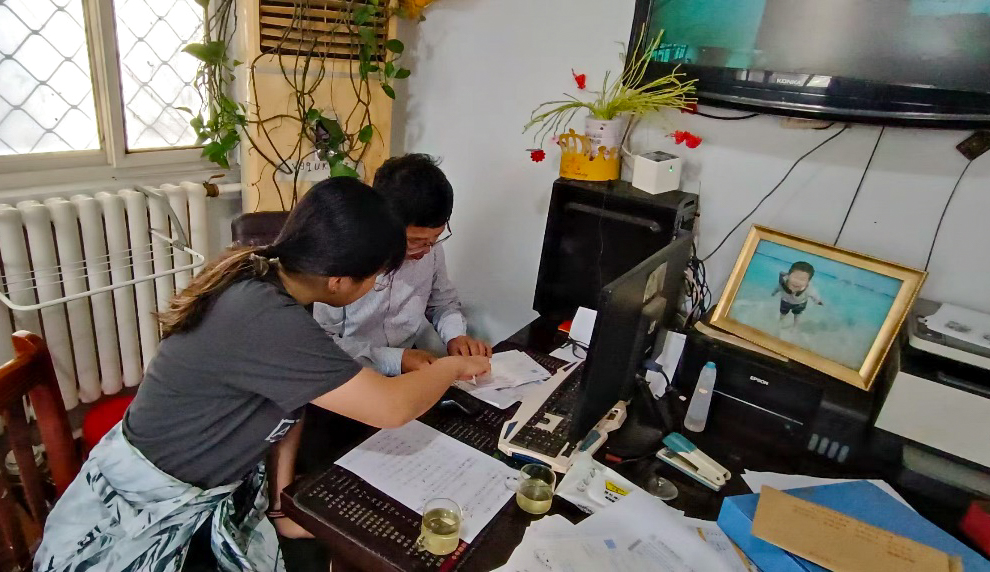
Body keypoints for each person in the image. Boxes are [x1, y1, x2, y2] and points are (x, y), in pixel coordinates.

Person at [34, 178, 490, 572]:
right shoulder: (266, 315)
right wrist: (451, 367)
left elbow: (290, 404)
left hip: (216, 482)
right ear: (338, 280)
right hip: (141, 508)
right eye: (374, 276)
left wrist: (281, 504)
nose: (377, 286)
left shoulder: (286, 284)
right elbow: (392, 408)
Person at [314, 154, 491, 376]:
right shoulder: (342, 258)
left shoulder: (430, 250)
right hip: (350, 372)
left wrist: (456, 336)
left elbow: (442, 303)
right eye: (415, 241)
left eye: (435, 238)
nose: (426, 250)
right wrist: (396, 359)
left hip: (408, 362)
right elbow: (321, 343)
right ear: (382, 222)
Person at [772, 261, 824, 328]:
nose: (797, 282)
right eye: (795, 277)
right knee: (783, 313)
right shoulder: (784, 283)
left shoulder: (809, 289)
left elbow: (814, 295)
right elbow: (778, 287)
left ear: (808, 281)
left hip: (800, 303)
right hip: (786, 301)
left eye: (802, 279)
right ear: (788, 276)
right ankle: (780, 324)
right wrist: (774, 293)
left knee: (797, 315)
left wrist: (817, 301)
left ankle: (795, 327)